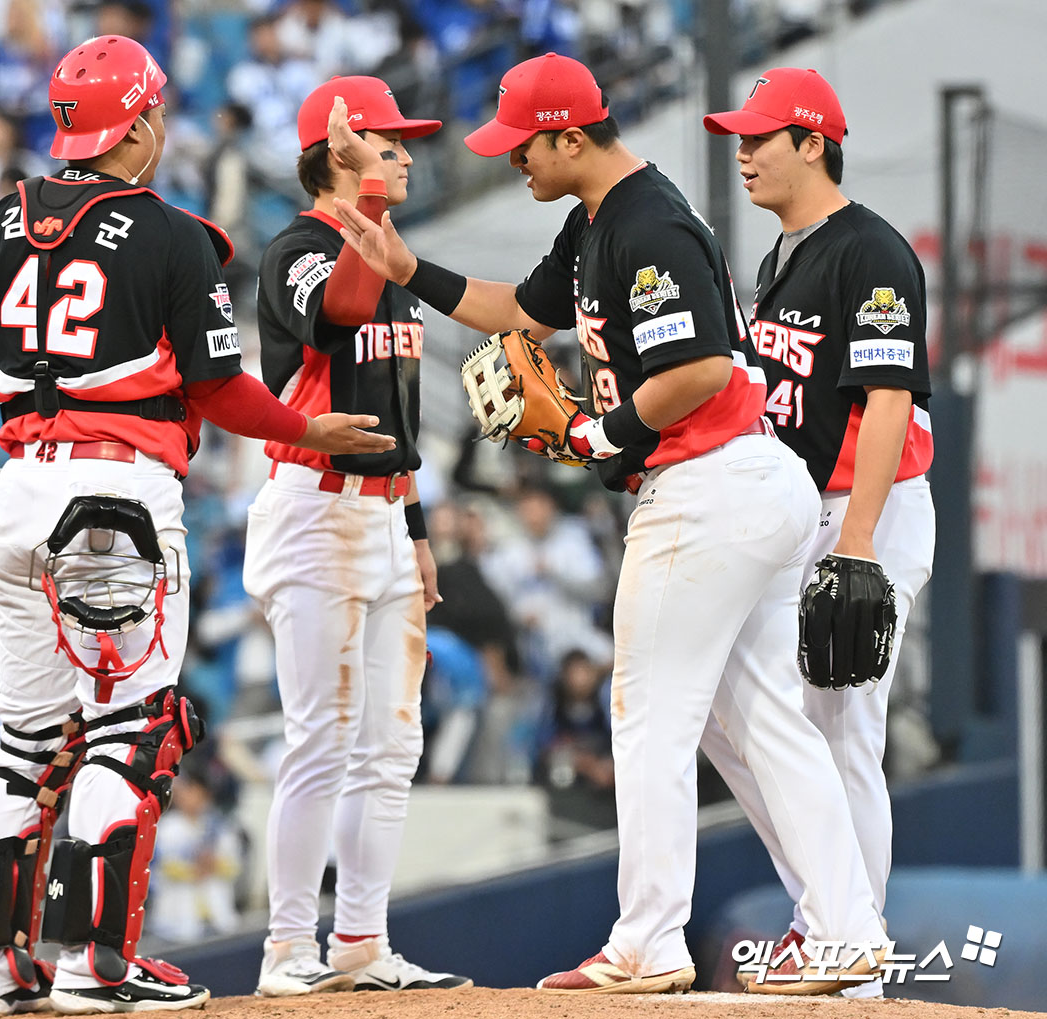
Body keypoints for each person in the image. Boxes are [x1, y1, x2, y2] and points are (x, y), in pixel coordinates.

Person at [336, 51, 888, 994]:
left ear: (567, 134)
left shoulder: (647, 221)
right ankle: (847, 927)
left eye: (522, 145)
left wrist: (605, 432)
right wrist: (408, 267)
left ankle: (649, 938)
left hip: (709, 484)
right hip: (740, 484)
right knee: (754, 717)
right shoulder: (597, 219)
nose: (513, 159)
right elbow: (516, 310)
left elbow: (703, 368)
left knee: (645, 716)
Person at [0, 35, 393, 1017]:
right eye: (157, 111)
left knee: (21, 747)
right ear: (135, 124)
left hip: (19, 492)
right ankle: (95, 964)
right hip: (117, 497)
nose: (163, 125)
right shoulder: (171, 234)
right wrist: (306, 424)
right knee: (130, 731)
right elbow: (219, 388)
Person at [699, 67, 935, 997]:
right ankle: (826, 915)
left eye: (762, 136)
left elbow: (887, 400)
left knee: (841, 731)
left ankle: (852, 954)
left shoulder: (870, 249)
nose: (744, 151)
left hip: (863, 513)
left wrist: (859, 541)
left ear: (814, 143)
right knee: (735, 712)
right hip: (803, 512)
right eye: (741, 136)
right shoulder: (784, 254)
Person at [244, 75, 471, 997]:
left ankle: (361, 941)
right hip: (314, 510)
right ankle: (286, 945)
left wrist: (414, 528)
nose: (406, 154)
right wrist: (364, 202)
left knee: (392, 744)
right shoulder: (300, 247)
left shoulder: (393, 266)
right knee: (322, 738)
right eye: (386, 141)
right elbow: (335, 312)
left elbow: (395, 415)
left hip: (380, 511)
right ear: (339, 152)